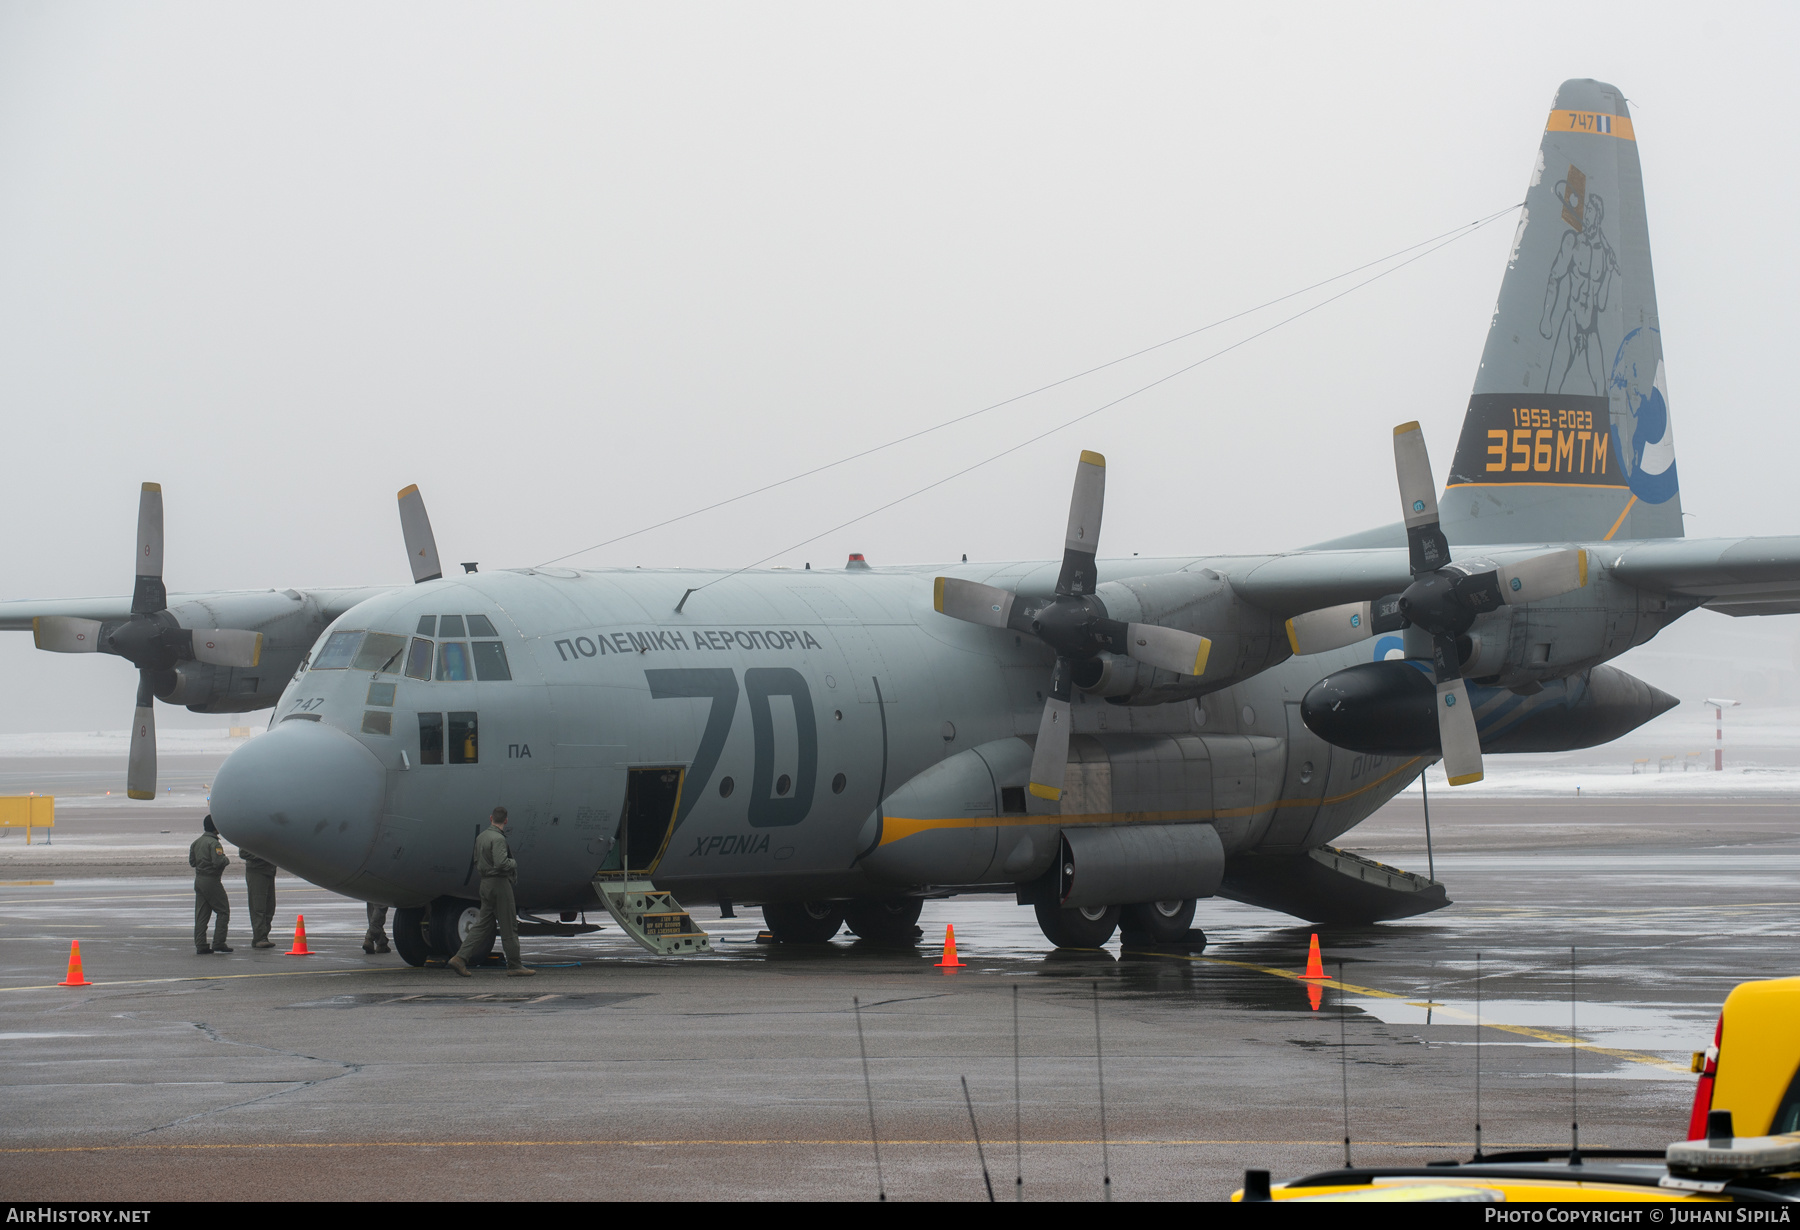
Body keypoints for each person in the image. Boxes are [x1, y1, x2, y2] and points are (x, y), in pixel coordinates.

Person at [448, 806, 533, 978]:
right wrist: (513, 863)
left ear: (490, 818)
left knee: (483, 924)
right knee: (509, 925)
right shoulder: (498, 839)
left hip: (485, 883)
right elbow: (501, 863)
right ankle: (515, 965)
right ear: (506, 821)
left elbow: (476, 859)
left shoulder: (481, 837)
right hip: (499, 883)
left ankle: (460, 957)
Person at [190, 815, 232, 954]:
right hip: (211, 880)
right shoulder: (214, 844)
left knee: (201, 914)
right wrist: (226, 860)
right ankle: (219, 942)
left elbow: (192, 862)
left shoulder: (196, 842)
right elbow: (218, 862)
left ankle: (200, 944)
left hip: (199, 880)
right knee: (223, 911)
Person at [241, 847, 277, 948]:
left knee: (270, 907)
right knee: (258, 906)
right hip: (256, 872)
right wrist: (263, 855)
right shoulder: (250, 835)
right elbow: (243, 853)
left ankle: (264, 936)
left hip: (269, 871)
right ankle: (259, 938)